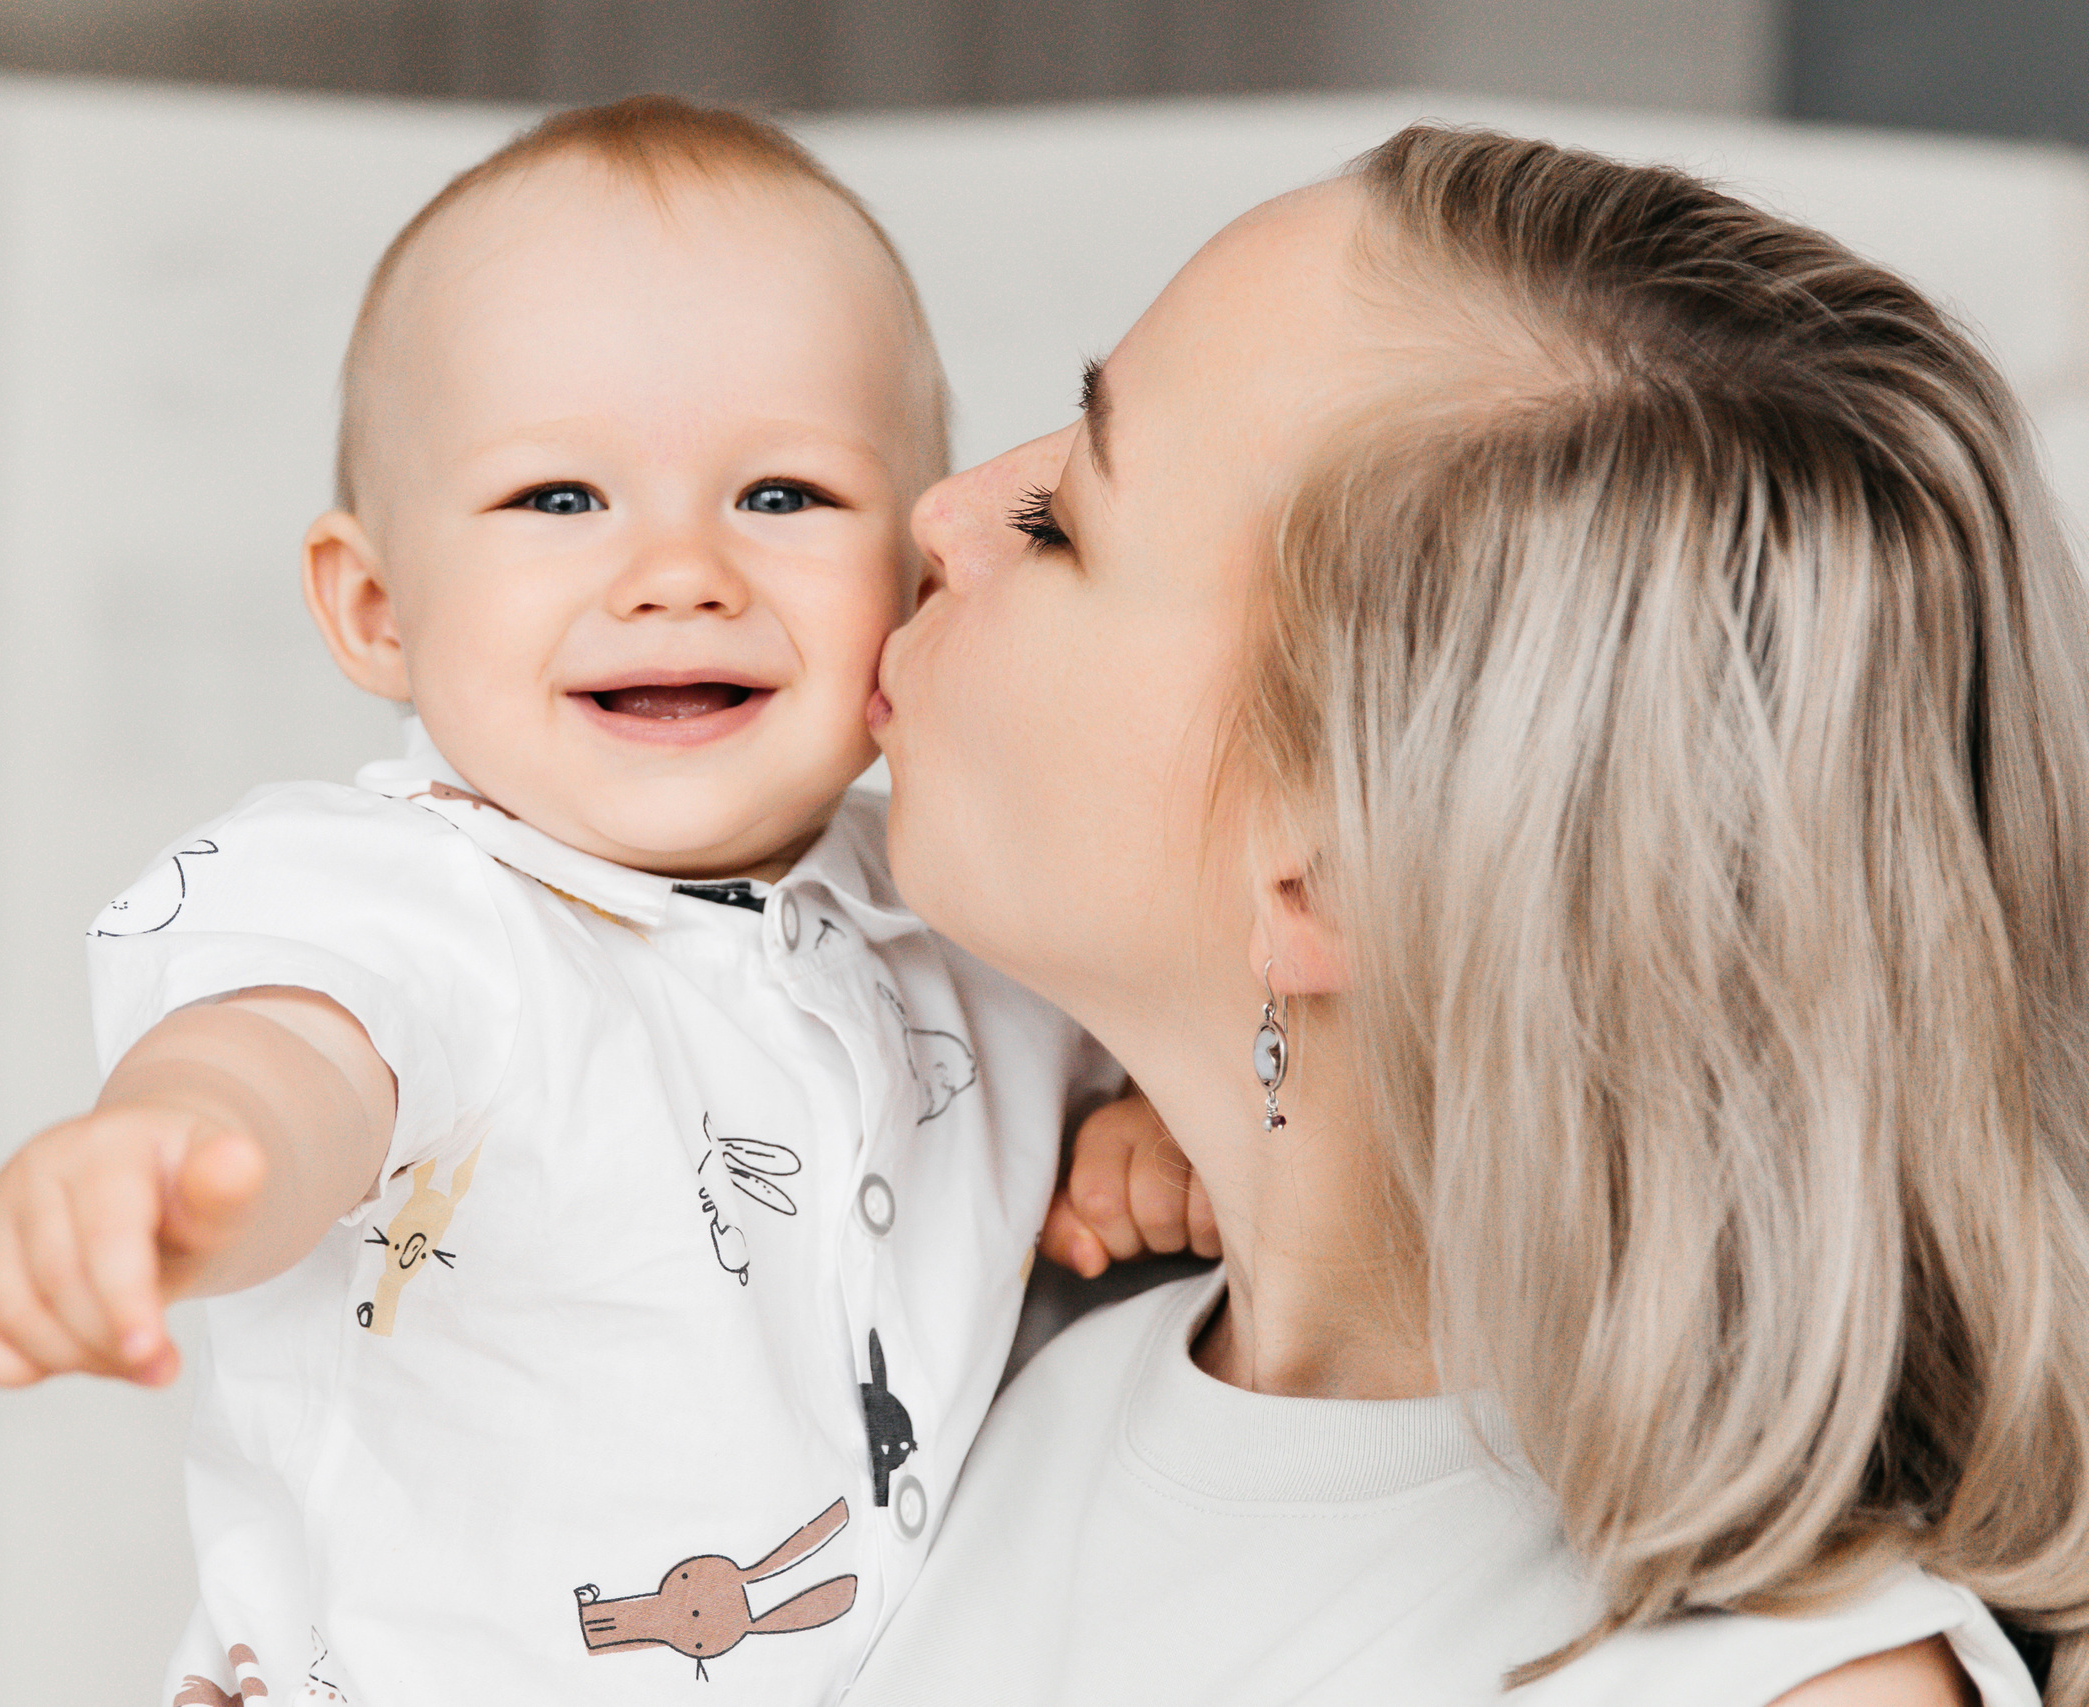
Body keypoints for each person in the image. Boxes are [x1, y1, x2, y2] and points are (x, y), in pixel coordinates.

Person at [0, 98, 1170, 1707]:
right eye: (560, 501)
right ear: (376, 608)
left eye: (784, 496)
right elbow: (297, 1056)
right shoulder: (413, 900)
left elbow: (1164, 1055)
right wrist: (178, 1156)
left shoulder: (964, 907)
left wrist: (1142, 1134)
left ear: (919, 574)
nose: (677, 571)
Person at [852, 125, 2087, 1706]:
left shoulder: (1784, 1688)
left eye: (1061, 525)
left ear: (1332, 879)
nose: (942, 510)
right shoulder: (933, 1318)